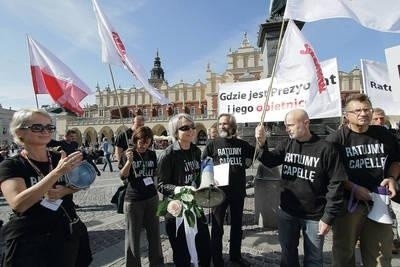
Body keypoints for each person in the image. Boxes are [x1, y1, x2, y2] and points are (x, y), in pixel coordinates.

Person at [0, 108, 92, 267]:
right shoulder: (10, 165)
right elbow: (19, 204)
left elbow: (83, 181)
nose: (45, 131)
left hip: (65, 234)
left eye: (49, 127)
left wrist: (66, 190)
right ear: (19, 132)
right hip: (31, 243)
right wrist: (57, 173)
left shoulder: (59, 158)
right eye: (37, 127)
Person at [255, 109, 347, 266]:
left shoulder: (326, 149)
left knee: (313, 259)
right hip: (287, 212)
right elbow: (270, 160)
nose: (287, 129)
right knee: (288, 254)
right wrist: (262, 143)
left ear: (306, 123)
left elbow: (336, 185)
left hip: (314, 216)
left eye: (290, 125)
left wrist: (328, 217)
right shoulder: (287, 144)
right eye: (285, 125)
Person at [326, 94, 400, 266]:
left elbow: (396, 160)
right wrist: (353, 188)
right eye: (357, 110)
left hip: (380, 201)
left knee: (381, 255)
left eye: (367, 109)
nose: (363, 113)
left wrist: (391, 178)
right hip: (348, 205)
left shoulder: (384, 134)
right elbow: (331, 173)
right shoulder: (336, 140)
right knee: (344, 253)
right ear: (347, 115)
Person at [157, 113, 211, 267]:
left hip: (195, 206)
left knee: (204, 248)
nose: (191, 130)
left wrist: (208, 177)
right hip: (176, 211)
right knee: (182, 254)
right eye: (185, 128)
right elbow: (160, 185)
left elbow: (197, 177)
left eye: (192, 126)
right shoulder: (168, 155)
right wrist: (180, 189)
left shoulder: (196, 151)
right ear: (175, 132)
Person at [201, 113, 254, 266]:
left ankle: (235, 256)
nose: (222, 126)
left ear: (233, 127)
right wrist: (208, 179)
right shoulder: (212, 144)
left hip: (237, 192)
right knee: (217, 228)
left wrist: (250, 159)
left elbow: (256, 154)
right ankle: (217, 260)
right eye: (220, 124)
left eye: (225, 124)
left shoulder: (243, 144)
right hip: (218, 192)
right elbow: (204, 164)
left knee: (237, 226)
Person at [120, 126, 163, 267]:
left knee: (154, 233)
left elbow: (155, 173)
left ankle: (156, 263)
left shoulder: (151, 154)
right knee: (133, 236)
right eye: (141, 141)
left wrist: (157, 186)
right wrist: (129, 162)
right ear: (136, 140)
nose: (144, 145)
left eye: (147, 142)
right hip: (134, 199)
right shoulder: (128, 153)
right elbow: (123, 176)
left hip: (151, 197)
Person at [371, 107, 400, 254]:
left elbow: (396, 159)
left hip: (392, 184)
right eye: (376, 118)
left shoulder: (392, 136)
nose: (379, 121)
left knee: (395, 214)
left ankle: (393, 241)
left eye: (381, 118)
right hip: (372, 188)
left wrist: (392, 177)